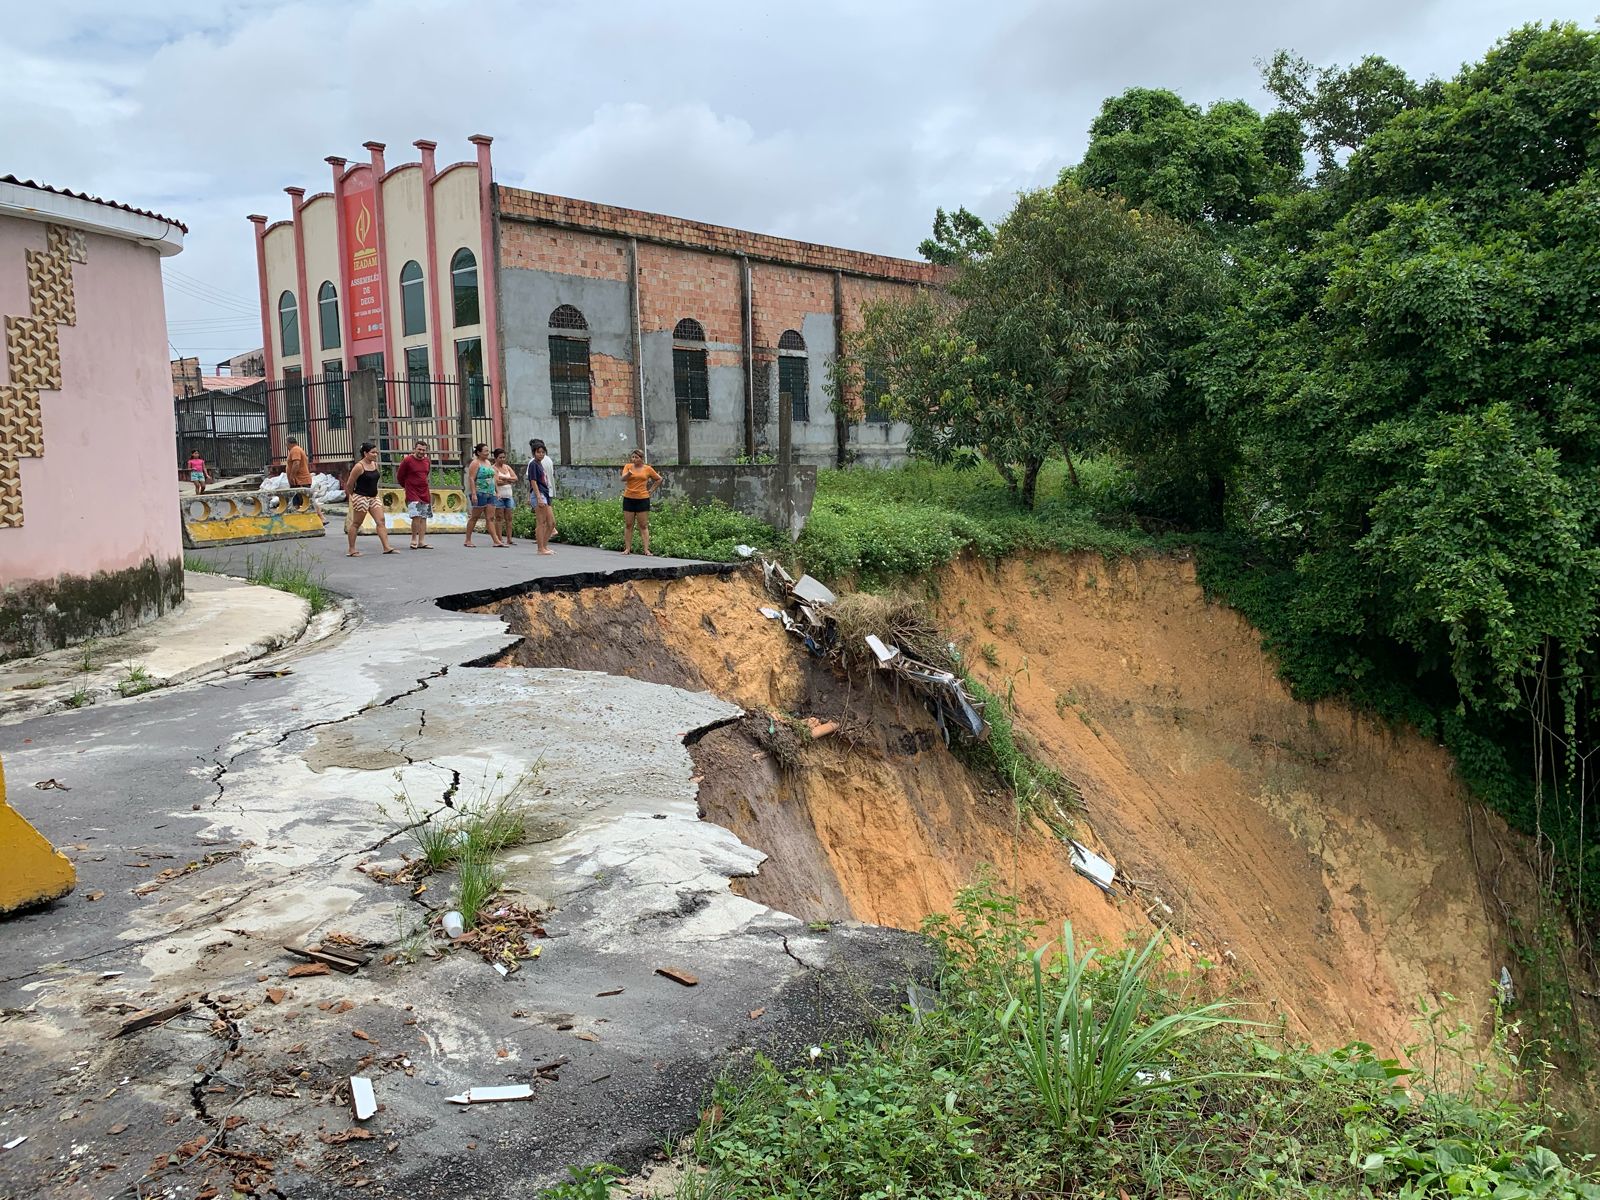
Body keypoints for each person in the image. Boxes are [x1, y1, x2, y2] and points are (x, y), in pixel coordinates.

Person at [343, 441, 395, 557]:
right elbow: (350, 483)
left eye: (376, 452)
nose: (375, 455)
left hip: (373, 496)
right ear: (365, 453)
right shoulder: (359, 466)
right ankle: (352, 549)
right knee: (357, 523)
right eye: (373, 453)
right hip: (361, 496)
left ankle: (386, 547)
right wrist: (352, 496)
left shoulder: (374, 465)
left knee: (380, 520)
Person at [620, 448, 661, 555]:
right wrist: (629, 474)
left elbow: (659, 479)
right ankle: (627, 549)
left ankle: (646, 550)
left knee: (643, 525)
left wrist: (651, 490)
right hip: (629, 498)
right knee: (629, 524)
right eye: (632, 457)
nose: (634, 459)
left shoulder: (647, 469)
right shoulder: (628, 467)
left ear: (641, 458)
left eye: (636, 457)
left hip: (642, 499)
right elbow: (623, 479)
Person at [463, 443, 502, 548]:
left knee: (490, 518)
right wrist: (474, 493)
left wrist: (497, 491)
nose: (487, 453)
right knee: (475, 517)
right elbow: (471, 478)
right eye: (485, 451)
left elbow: (493, 478)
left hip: (490, 493)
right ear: (479, 452)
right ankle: (468, 539)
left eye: (488, 451)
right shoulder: (475, 463)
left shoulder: (488, 462)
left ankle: (496, 540)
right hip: (480, 492)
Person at [396, 440, 433, 549]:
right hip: (412, 492)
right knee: (416, 516)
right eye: (419, 449)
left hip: (424, 492)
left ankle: (421, 541)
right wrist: (406, 486)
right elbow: (400, 476)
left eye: (423, 450)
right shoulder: (407, 460)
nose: (421, 452)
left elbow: (426, 473)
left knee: (424, 517)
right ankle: (414, 539)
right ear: (414, 449)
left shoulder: (427, 461)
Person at [527, 438, 555, 555]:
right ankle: (540, 548)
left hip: (545, 494)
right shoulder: (533, 464)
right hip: (539, 494)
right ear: (534, 453)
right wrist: (538, 497)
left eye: (543, 452)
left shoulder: (540, 464)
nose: (541, 454)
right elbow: (533, 481)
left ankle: (544, 545)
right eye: (539, 452)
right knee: (541, 523)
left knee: (551, 523)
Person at [492, 448, 518, 547]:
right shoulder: (493, 468)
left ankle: (509, 539)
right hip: (499, 495)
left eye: (503, 457)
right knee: (499, 517)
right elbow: (497, 482)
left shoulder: (507, 467)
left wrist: (505, 478)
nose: (502, 459)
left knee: (509, 518)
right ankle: (499, 538)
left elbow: (515, 478)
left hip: (508, 495)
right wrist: (508, 481)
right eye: (500, 457)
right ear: (495, 458)